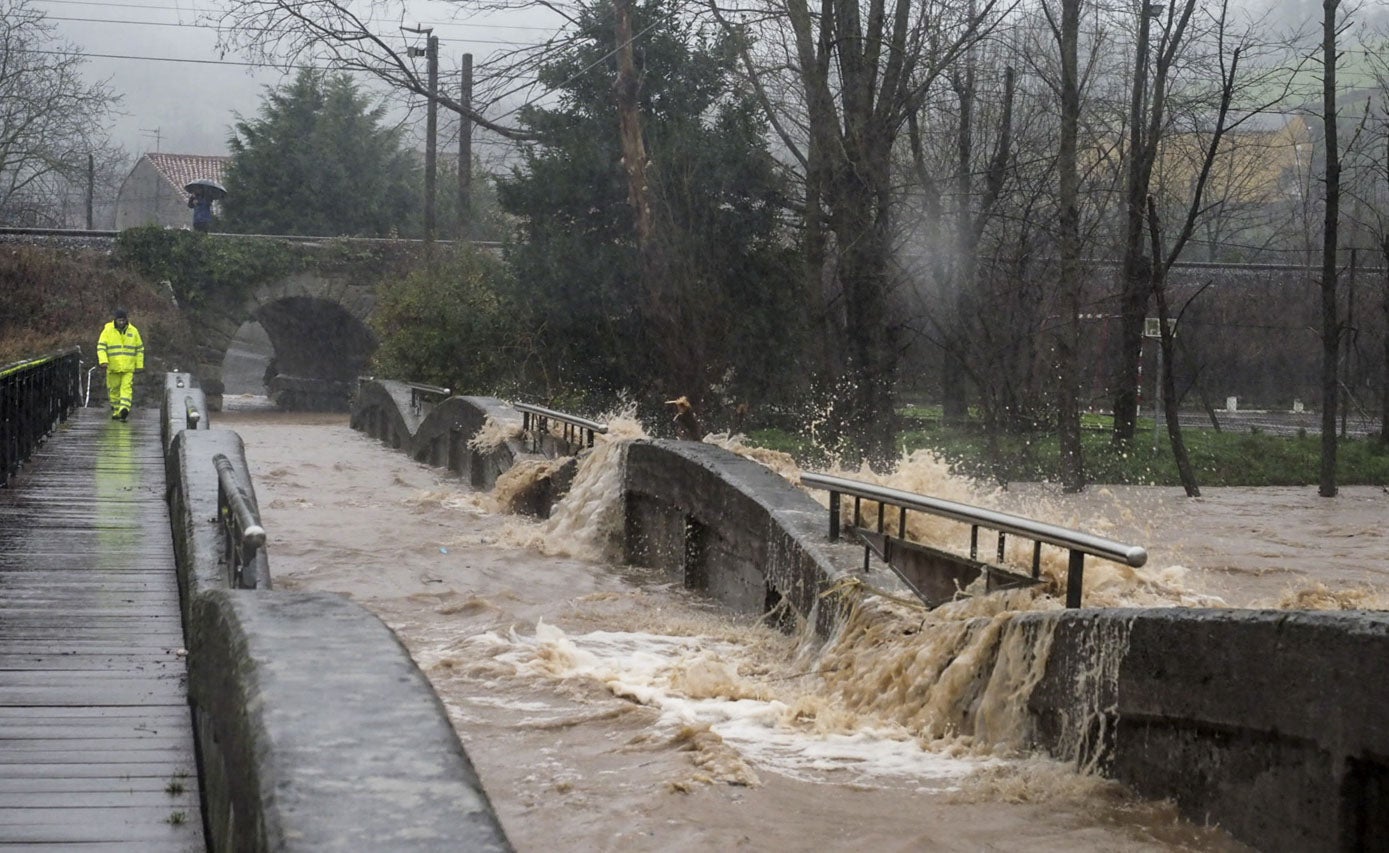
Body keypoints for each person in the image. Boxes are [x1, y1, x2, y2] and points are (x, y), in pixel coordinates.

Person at [97, 308, 144, 421]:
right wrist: (103, 361)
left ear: (126, 320)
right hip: (112, 367)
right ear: (115, 320)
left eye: (123, 320)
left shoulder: (133, 331)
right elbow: (101, 347)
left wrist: (139, 365)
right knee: (114, 390)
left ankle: (124, 408)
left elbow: (139, 349)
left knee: (126, 388)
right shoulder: (107, 331)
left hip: (128, 367)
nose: (121, 322)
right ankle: (116, 410)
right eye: (119, 320)